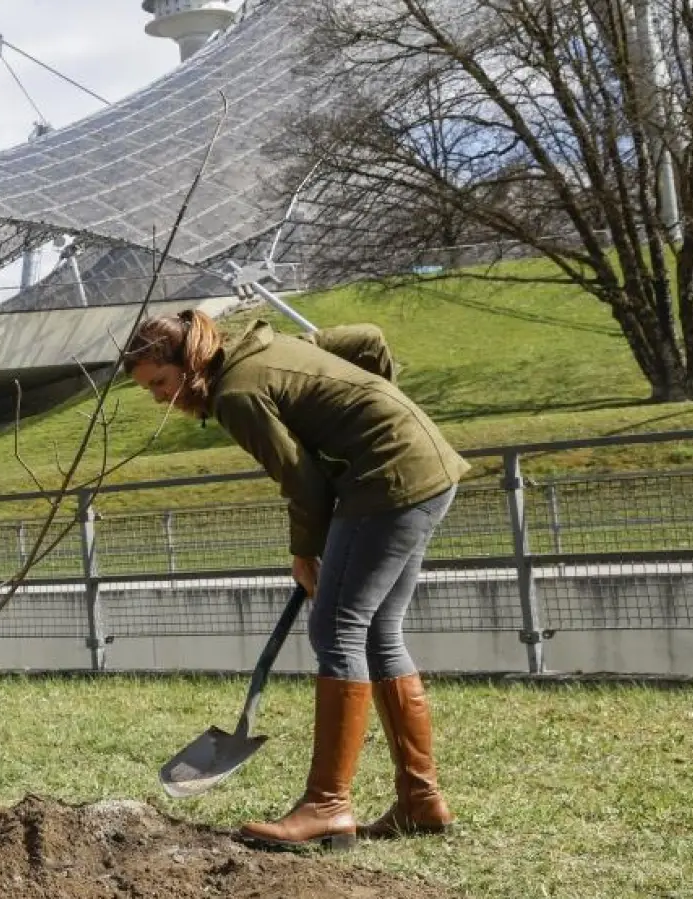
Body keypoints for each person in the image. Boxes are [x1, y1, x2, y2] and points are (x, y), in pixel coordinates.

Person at [122, 310, 467, 851]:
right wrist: (376, 417)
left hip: (386, 478)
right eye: (150, 390)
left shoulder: (236, 395)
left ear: (189, 363)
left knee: (337, 631)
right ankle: (420, 801)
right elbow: (369, 340)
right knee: (379, 633)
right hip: (422, 462)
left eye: (160, 383)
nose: (160, 398)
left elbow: (303, 484)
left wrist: (305, 551)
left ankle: (328, 805)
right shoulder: (270, 345)